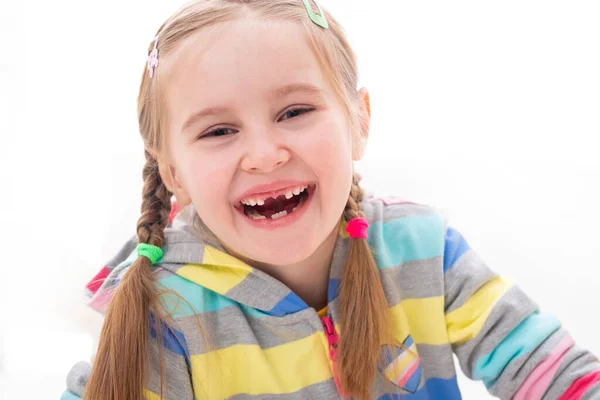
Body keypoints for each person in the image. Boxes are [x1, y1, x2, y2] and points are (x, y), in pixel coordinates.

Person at [61, 0, 600, 399]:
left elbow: (558, 377)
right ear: (172, 170)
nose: (264, 154)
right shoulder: (164, 310)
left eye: (294, 112)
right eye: (218, 131)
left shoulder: (424, 253)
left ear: (359, 120)